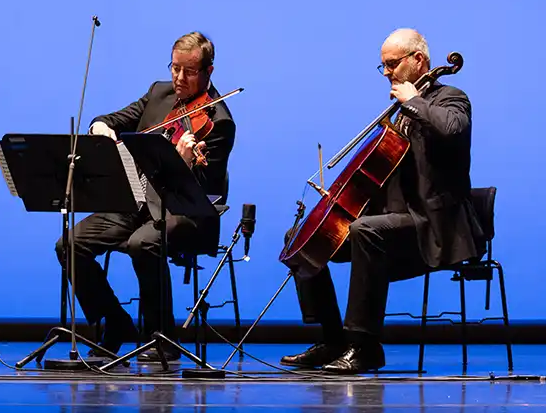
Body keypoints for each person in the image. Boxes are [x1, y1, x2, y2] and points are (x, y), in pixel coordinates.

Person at [280, 28, 484, 374]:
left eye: (392, 64)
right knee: (302, 236)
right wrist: (342, 198)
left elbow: (452, 129)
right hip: (395, 223)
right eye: (383, 66)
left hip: (434, 226)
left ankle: (365, 346)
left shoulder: (450, 98)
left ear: (418, 60)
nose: (387, 72)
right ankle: (332, 339)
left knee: (366, 231)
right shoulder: (397, 114)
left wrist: (414, 101)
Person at [56, 32, 236, 358]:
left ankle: (163, 338)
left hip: (186, 213)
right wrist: (102, 130)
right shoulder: (158, 93)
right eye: (175, 68)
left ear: (208, 71)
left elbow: (206, 188)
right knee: (69, 243)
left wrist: (183, 164)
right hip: (137, 203)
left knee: (144, 242)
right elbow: (111, 119)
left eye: (189, 72)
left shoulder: (219, 122)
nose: (179, 78)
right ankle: (116, 321)